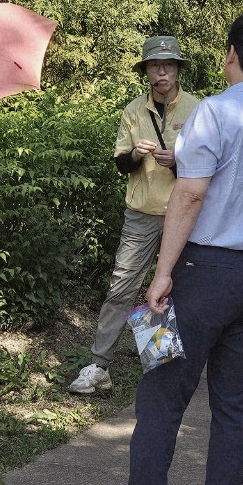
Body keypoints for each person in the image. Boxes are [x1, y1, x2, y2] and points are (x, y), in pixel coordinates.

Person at [78, 13, 243, 485]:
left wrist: (161, 274)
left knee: (161, 395)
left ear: (231, 54)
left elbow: (188, 197)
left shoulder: (215, 111)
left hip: (202, 271)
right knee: (233, 406)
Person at [68, 36, 200, 395]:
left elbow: (211, 168)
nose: (162, 72)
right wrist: (137, 156)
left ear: (177, 70)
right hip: (141, 214)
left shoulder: (199, 109)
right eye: (155, 66)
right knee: (121, 287)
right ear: (146, 72)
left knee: (179, 291)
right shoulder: (133, 111)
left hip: (184, 213)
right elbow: (120, 164)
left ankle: (168, 367)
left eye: (168, 65)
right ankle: (99, 366)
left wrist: (178, 161)